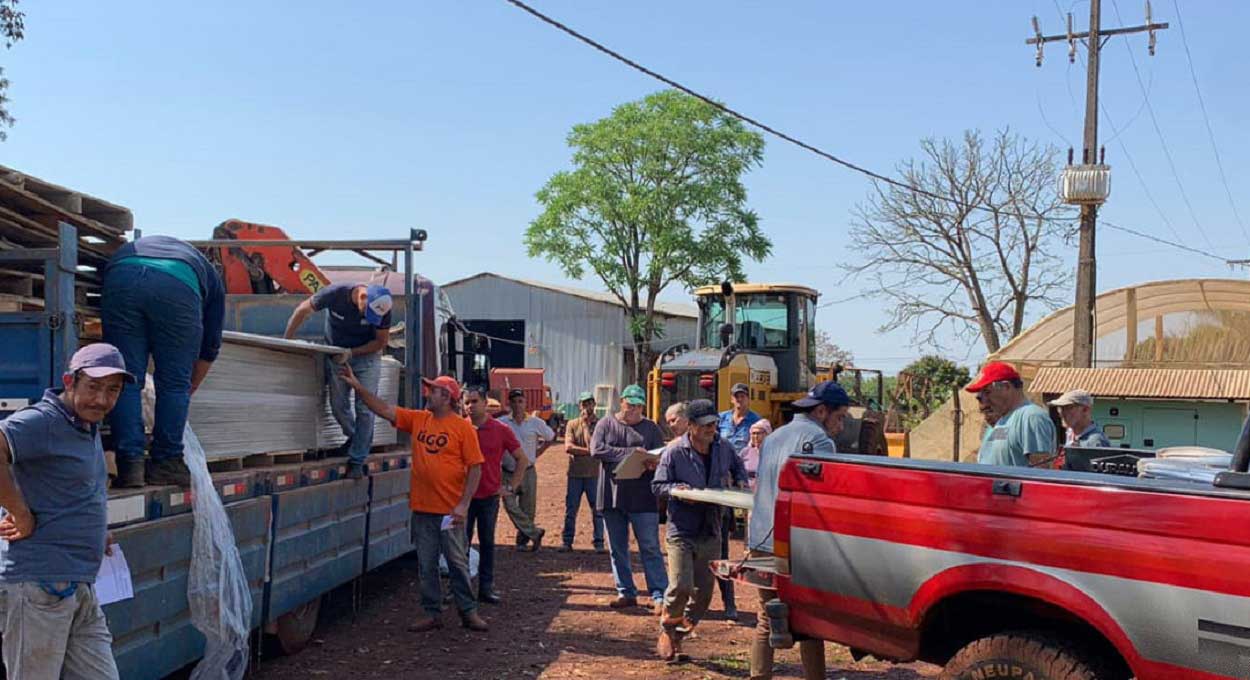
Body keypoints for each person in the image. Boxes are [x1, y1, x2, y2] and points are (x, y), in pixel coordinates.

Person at [0, 343, 135, 678]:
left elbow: (70, 487)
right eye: (93, 387)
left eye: (112, 391)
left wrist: (94, 528)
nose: (102, 400)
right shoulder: (44, 421)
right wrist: (19, 513)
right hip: (39, 586)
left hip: (80, 587)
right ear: (69, 382)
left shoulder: (84, 426)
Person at [339, 366, 488, 632]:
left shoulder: (463, 430)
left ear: (447, 397)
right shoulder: (419, 419)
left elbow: (475, 467)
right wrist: (357, 387)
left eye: (433, 391)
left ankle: (468, 611)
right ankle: (432, 612)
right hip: (422, 510)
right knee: (426, 564)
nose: (427, 394)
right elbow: (384, 409)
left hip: (449, 513)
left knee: (457, 564)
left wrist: (464, 504)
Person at [748, 381, 851, 680]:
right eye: (840, 416)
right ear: (821, 411)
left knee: (766, 619)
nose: (841, 426)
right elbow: (820, 503)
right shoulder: (819, 441)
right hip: (795, 546)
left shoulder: (774, 436)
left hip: (761, 539)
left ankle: (759, 676)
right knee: (808, 623)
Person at [103, 235, 226, 488]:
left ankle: (129, 465)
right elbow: (210, 347)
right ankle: (166, 461)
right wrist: (188, 388)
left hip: (121, 275)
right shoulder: (211, 277)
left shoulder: (176, 253)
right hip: (177, 286)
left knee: (126, 379)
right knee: (173, 384)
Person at [651, 399, 748, 660]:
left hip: (711, 529)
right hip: (681, 529)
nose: (711, 429)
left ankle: (681, 632)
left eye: (714, 424)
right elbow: (657, 485)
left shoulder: (723, 447)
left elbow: (739, 468)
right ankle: (667, 629)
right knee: (681, 585)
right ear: (691, 426)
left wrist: (739, 482)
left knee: (704, 593)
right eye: (705, 425)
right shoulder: (674, 452)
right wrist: (677, 490)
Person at [284, 282, 393, 480]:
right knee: (338, 404)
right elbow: (302, 310)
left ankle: (357, 460)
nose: (368, 319)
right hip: (336, 353)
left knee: (365, 408)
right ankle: (355, 438)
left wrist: (351, 353)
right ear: (362, 298)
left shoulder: (383, 308)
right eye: (366, 313)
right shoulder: (335, 294)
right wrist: (286, 340)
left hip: (366, 357)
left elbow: (380, 342)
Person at [591, 384, 668, 613]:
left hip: (643, 497)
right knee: (617, 548)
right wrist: (631, 454)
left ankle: (659, 595)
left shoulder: (652, 429)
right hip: (611, 496)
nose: (632, 409)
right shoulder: (605, 424)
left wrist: (651, 462)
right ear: (621, 401)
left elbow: (660, 456)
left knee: (650, 546)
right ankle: (625, 592)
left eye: (637, 405)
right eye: (629, 403)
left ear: (643, 406)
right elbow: (596, 449)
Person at [462, 385, 529, 605]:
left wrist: (510, 488)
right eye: (467, 402)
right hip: (461, 498)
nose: (470, 406)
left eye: (474, 401)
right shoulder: (459, 428)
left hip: (489, 497)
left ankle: (486, 588)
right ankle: (460, 589)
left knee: (487, 543)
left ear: (485, 403)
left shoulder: (500, 430)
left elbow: (522, 459)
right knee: (459, 545)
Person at [966, 362, 1057, 467]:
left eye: (987, 392)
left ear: (1006, 387)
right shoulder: (1002, 420)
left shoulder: (1031, 417)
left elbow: (1040, 472)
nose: (984, 400)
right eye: (981, 394)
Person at [499, 388, 554, 551]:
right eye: (514, 401)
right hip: (508, 471)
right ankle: (535, 533)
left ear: (525, 403)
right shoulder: (502, 423)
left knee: (528, 509)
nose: (517, 405)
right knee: (509, 504)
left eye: (520, 401)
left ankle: (523, 541)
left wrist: (537, 453)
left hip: (528, 471)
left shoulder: (536, 423)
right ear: (509, 404)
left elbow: (550, 438)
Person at [561, 391, 606, 553]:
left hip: (595, 474)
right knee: (571, 509)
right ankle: (567, 541)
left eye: (589, 403)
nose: (587, 407)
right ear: (579, 405)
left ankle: (599, 542)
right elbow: (568, 447)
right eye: (584, 403)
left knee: (598, 510)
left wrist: (587, 428)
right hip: (575, 474)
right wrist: (590, 452)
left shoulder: (601, 425)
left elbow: (599, 448)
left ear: (594, 404)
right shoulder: (572, 424)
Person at [718, 383, 761, 453]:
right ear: (732, 399)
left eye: (742, 396)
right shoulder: (721, 418)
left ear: (748, 399)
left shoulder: (756, 420)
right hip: (723, 460)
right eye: (736, 397)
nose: (739, 399)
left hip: (743, 461)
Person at [739, 418, 772, 489]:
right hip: (745, 490)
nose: (756, 437)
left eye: (759, 433)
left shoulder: (774, 453)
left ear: (767, 434)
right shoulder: (745, 452)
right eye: (753, 433)